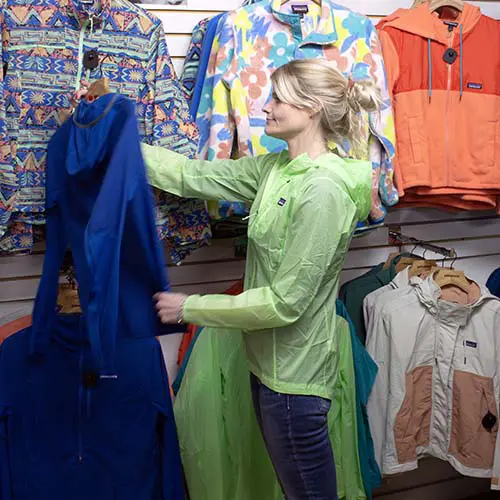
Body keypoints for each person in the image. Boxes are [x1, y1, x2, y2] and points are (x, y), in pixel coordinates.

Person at [142, 58, 380, 500]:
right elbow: (196, 176)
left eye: (276, 98)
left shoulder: (323, 190)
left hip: (295, 382)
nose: (264, 107)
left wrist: (190, 307)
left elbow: (284, 303)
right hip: (266, 368)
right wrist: (122, 147)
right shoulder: (275, 169)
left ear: (309, 108)